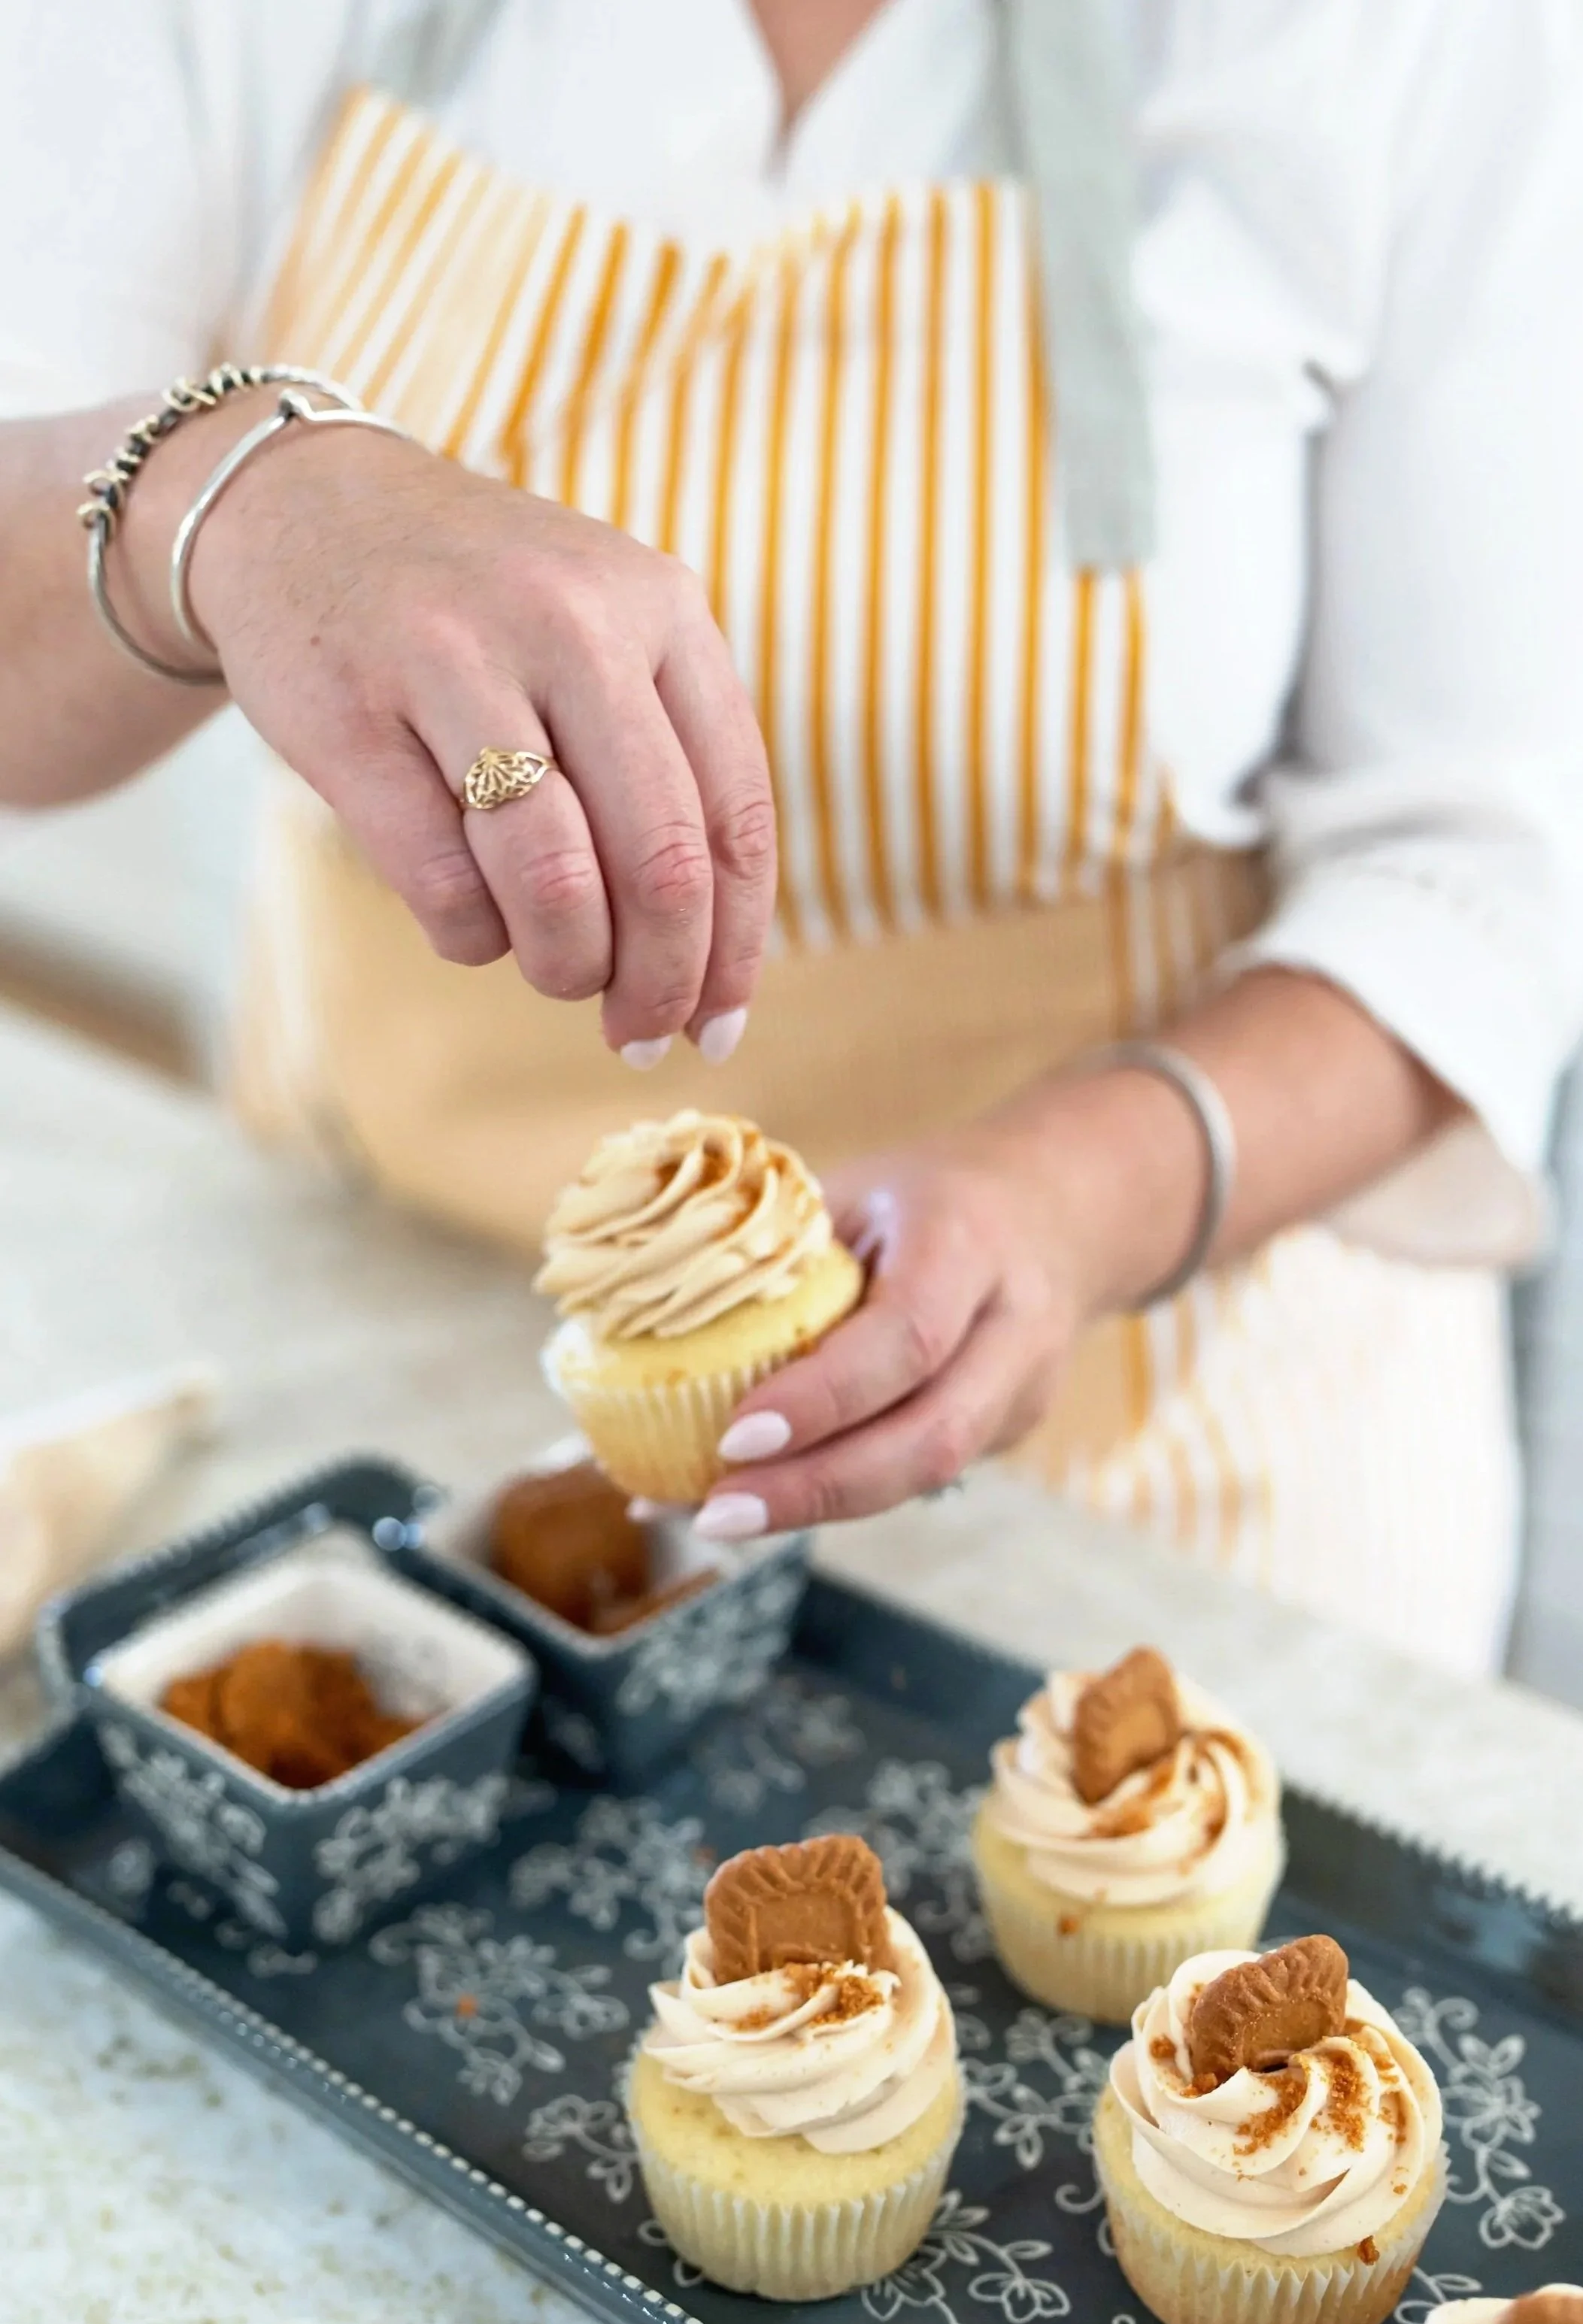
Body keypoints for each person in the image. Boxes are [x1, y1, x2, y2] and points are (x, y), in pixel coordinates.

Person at [2, 1, 1580, 1679]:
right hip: (380, 1392)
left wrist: (1070, 1200)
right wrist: (222, 501)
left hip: (1143, 1489)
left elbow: (1480, 880)